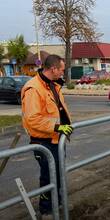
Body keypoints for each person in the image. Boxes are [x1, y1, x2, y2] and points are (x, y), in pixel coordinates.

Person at [21, 55, 72, 216]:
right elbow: (32, 119)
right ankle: (47, 209)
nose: (63, 73)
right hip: (44, 141)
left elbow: (58, 109)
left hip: (56, 139)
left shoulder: (52, 85)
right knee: (49, 176)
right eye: (62, 70)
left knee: (57, 173)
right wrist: (58, 127)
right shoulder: (34, 88)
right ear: (53, 69)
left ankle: (57, 203)